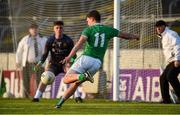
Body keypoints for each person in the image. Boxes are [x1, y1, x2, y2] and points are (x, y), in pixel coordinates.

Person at [55, 10, 139, 108]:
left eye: (87, 21)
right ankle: (59, 104)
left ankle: (81, 76)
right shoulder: (108, 29)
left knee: (66, 79)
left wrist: (69, 57)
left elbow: (79, 44)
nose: (87, 23)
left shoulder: (88, 30)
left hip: (86, 58)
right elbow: (125, 35)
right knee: (75, 84)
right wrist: (135, 36)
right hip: (97, 64)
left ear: (92, 19)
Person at [32, 21, 77, 102]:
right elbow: (45, 54)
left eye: (61, 28)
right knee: (45, 77)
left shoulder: (68, 40)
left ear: (63, 29)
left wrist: (71, 62)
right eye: (57, 28)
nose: (59, 29)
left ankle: (78, 96)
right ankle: (36, 97)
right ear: (54, 29)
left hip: (65, 64)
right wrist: (39, 63)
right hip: (54, 64)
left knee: (72, 76)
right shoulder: (50, 40)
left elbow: (74, 55)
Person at [16, 23, 47, 98]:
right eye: (32, 29)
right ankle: (26, 96)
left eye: (36, 28)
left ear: (38, 29)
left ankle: (39, 96)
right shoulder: (25, 39)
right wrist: (18, 61)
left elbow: (47, 52)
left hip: (39, 64)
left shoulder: (43, 39)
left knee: (40, 81)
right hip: (27, 64)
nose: (34, 30)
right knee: (26, 82)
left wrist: (46, 64)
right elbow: (19, 51)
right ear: (29, 30)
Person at [155, 20, 180, 104]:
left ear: (164, 26)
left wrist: (177, 59)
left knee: (171, 76)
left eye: (160, 26)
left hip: (177, 60)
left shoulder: (170, 34)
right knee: (163, 78)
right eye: (157, 27)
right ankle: (166, 100)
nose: (158, 28)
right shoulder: (164, 36)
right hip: (171, 61)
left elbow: (177, 46)